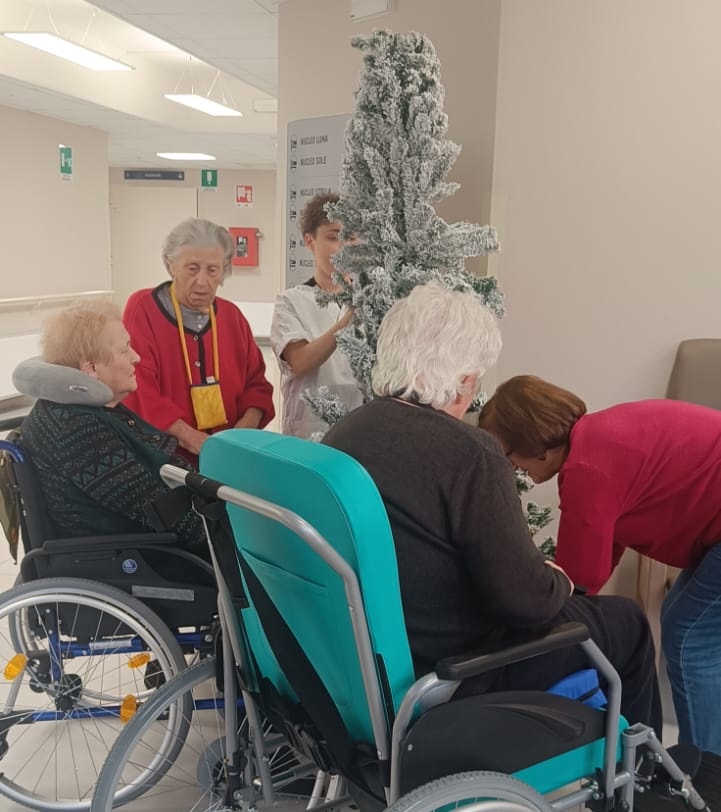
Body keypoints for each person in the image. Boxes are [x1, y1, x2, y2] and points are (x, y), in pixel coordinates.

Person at [323, 283, 661, 734]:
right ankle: (645, 785)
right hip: (457, 671)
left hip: (372, 657)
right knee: (629, 623)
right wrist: (556, 578)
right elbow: (527, 603)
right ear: (464, 381)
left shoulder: (348, 432)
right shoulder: (469, 452)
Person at [478, 374, 721, 756]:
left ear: (537, 447)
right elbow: (601, 555)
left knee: (690, 637)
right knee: (680, 616)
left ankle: (706, 776)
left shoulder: (587, 469)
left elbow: (579, 577)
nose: (513, 470)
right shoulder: (596, 440)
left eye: (510, 458)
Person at [20, 301, 207, 553]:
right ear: (91, 367)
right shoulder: (77, 430)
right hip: (142, 558)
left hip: (150, 542)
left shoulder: (90, 408)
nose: (136, 358)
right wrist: (230, 527)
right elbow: (162, 514)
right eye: (125, 350)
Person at [123, 218, 274, 460]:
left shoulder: (231, 316)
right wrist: (193, 440)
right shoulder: (143, 309)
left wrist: (243, 433)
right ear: (171, 265)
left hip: (228, 457)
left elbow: (257, 385)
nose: (202, 281)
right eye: (192, 268)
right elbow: (138, 389)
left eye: (213, 270)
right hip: (165, 459)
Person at [271, 193, 363, 437]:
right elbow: (299, 362)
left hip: (360, 429)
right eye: (334, 237)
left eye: (350, 237)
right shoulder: (291, 301)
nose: (343, 246)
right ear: (309, 240)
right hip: (309, 432)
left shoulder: (371, 301)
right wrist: (348, 319)